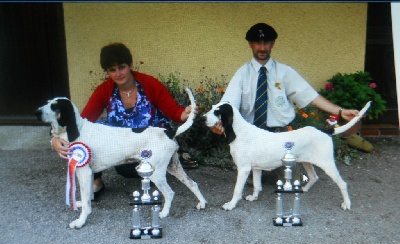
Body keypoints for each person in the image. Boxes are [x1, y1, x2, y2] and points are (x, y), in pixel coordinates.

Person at [210, 23, 361, 183]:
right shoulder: (242, 74)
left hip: (280, 135)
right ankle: (259, 174)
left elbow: (311, 96)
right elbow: (227, 103)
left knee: (291, 183)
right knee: (250, 178)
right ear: (250, 44)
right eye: (257, 43)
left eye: (266, 42)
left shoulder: (285, 72)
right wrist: (219, 122)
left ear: (273, 44)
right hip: (252, 137)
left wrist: (340, 111)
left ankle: (289, 172)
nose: (262, 47)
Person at [52, 42, 197, 199]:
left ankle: (164, 163)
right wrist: (55, 139)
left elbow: (174, 112)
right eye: (112, 70)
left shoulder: (149, 84)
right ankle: (95, 180)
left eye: (121, 67)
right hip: (124, 144)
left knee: (148, 165)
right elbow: (82, 123)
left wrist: (186, 113)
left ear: (130, 65)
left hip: (150, 141)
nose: (118, 73)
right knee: (98, 136)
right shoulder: (104, 90)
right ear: (107, 72)